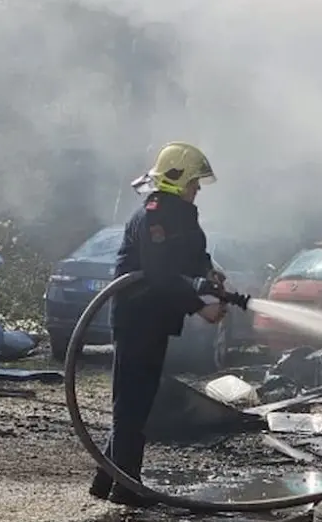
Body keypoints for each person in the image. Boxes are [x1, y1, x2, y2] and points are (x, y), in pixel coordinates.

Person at [89, 142, 227, 507]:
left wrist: (208, 269)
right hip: (137, 318)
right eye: (194, 182)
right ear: (176, 178)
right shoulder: (153, 215)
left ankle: (107, 480)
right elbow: (161, 273)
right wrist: (201, 307)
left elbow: (191, 253)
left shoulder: (180, 214)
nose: (198, 189)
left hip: (155, 320)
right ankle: (127, 487)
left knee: (137, 402)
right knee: (130, 404)